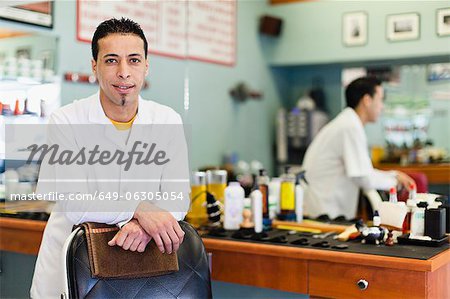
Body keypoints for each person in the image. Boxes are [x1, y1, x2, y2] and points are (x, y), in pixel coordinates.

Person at [30, 18, 190, 298]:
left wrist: (142, 224)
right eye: (112, 60)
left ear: (146, 65)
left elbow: (179, 197)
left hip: (141, 269)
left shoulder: (167, 120)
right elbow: (74, 203)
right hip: (69, 274)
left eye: (134, 60)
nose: (124, 73)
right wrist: (140, 210)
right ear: (95, 65)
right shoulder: (67, 120)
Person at [302, 77, 415, 220]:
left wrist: (394, 175)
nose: (382, 106)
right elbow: (363, 177)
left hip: (325, 208)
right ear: (367, 100)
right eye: (380, 100)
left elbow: (362, 172)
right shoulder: (349, 127)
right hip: (324, 213)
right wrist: (394, 180)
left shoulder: (348, 122)